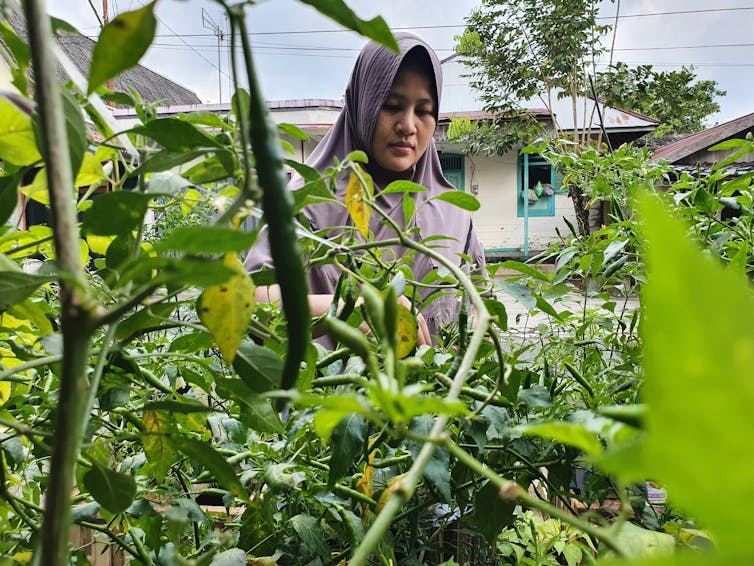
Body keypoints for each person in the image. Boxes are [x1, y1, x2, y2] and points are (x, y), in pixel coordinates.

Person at [245, 32, 485, 346]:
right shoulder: (308, 201)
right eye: (391, 105)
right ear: (363, 104)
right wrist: (351, 311)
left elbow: (479, 302)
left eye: (424, 111)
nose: (408, 126)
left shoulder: (453, 212)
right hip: (330, 392)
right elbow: (251, 305)